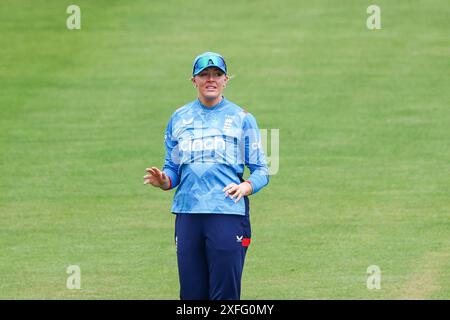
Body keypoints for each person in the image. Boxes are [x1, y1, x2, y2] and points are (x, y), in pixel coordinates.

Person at [143, 52, 269, 300]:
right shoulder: (179, 118)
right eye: (204, 75)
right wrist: (164, 181)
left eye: (217, 74)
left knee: (225, 294)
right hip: (188, 214)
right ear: (194, 80)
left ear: (225, 80)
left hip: (227, 213)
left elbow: (262, 170)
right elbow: (173, 168)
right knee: (191, 295)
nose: (210, 79)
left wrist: (246, 187)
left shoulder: (242, 118)